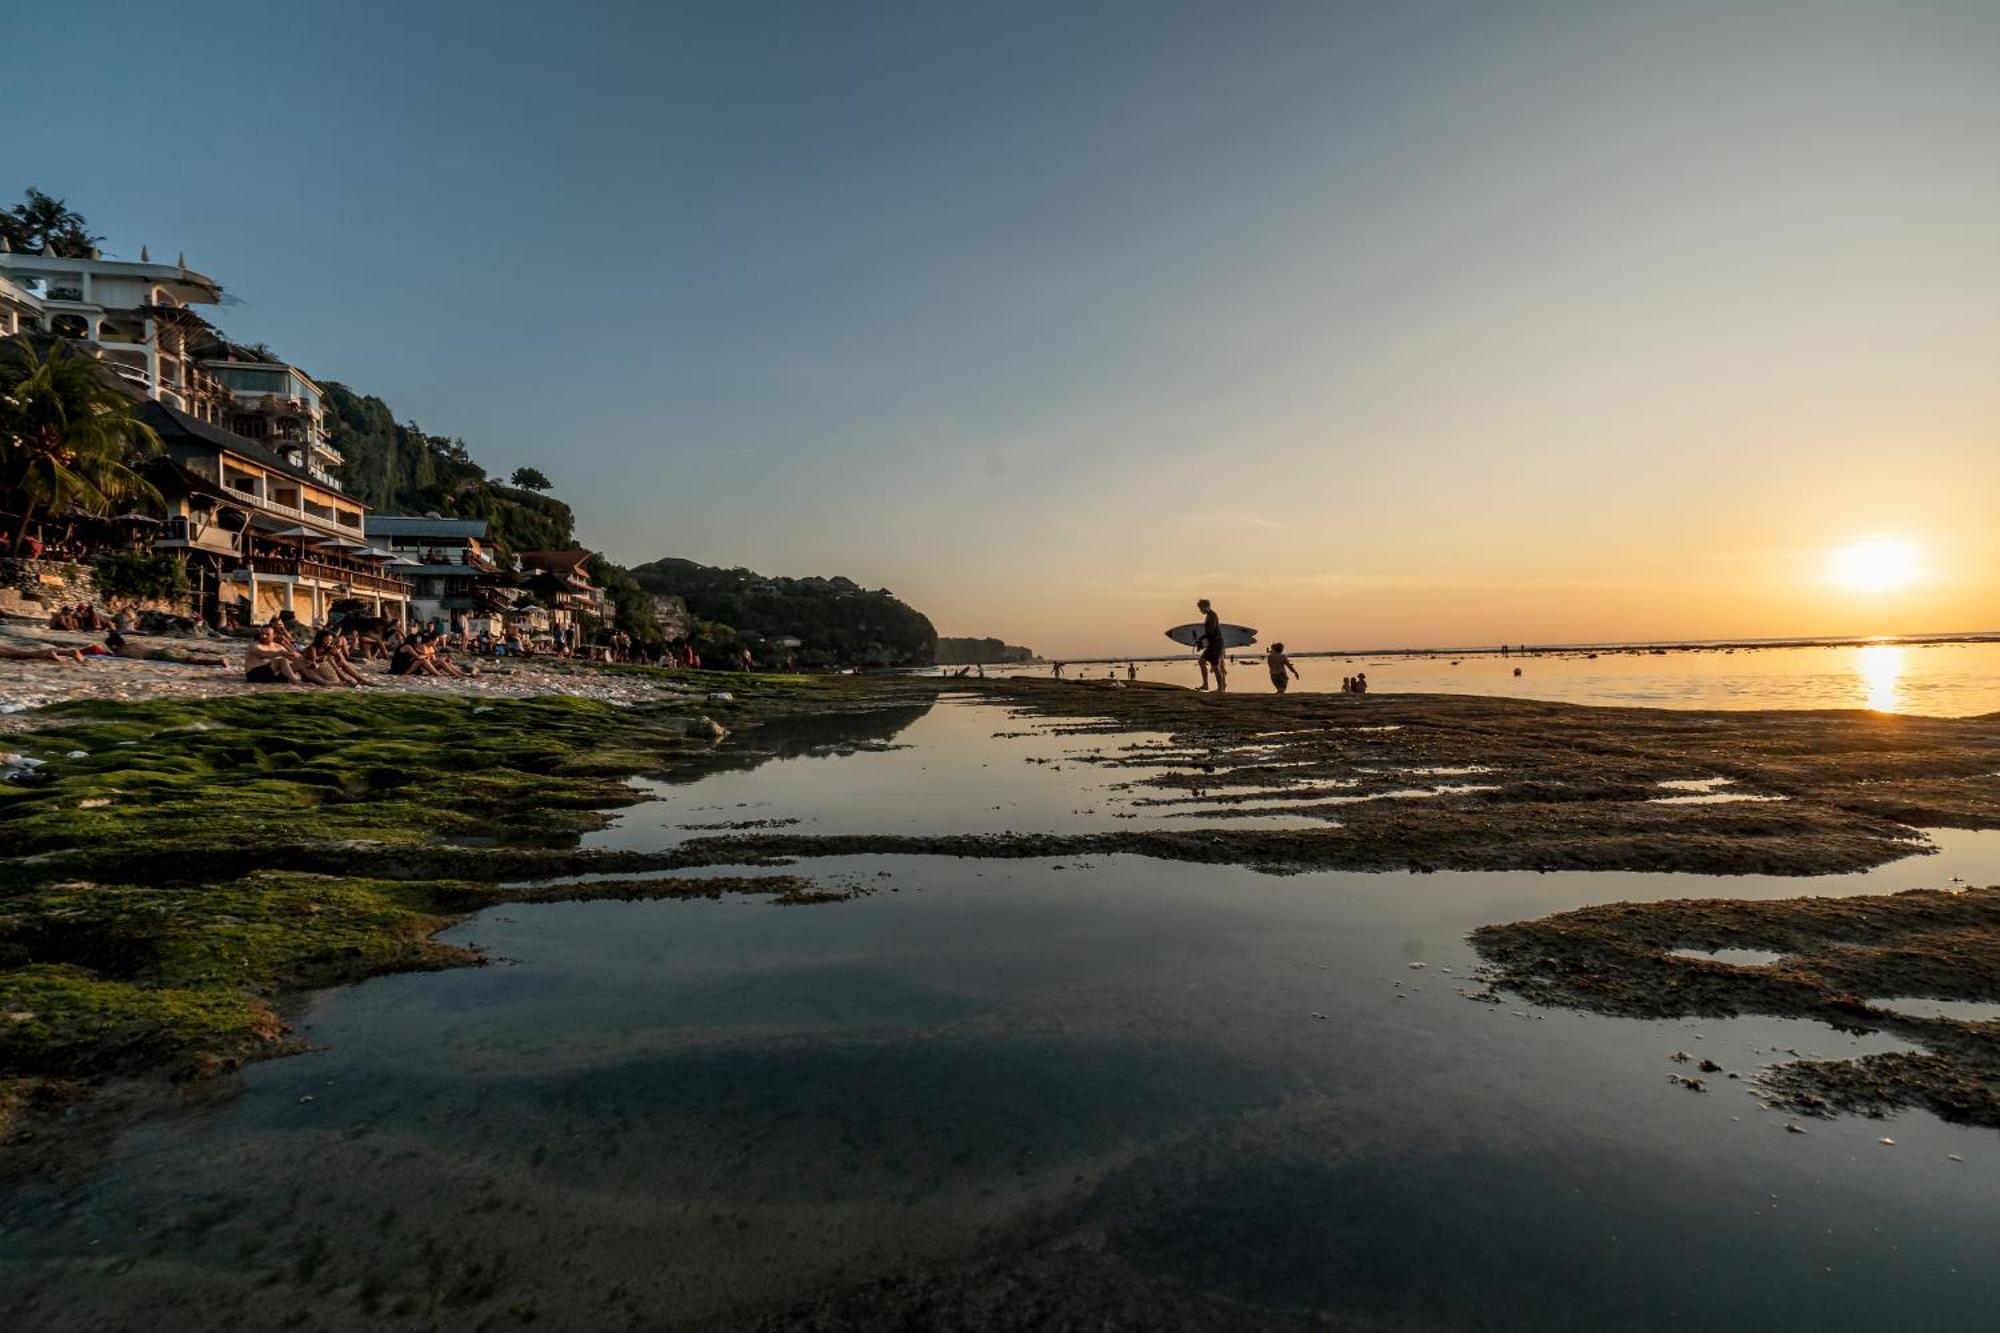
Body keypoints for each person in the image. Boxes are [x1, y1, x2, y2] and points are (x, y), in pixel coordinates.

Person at [1195, 599, 1227, 693]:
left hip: (1216, 644)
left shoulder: (1212, 616)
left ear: (1206, 606)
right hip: (1213, 644)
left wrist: (1201, 639)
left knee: (1214, 665)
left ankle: (1220, 688)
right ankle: (1206, 685)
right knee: (1202, 661)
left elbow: (1211, 632)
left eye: (1201, 608)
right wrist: (1202, 641)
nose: (1200, 610)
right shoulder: (1209, 616)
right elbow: (1209, 633)